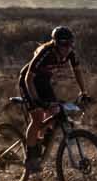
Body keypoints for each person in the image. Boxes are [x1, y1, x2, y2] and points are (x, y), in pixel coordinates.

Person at [18, 26, 89, 168]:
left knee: (56, 112)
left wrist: (84, 92)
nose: (67, 48)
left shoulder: (70, 53)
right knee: (37, 118)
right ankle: (31, 156)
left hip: (44, 82)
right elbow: (28, 78)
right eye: (64, 44)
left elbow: (77, 71)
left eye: (70, 44)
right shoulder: (45, 53)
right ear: (56, 43)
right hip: (29, 82)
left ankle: (40, 140)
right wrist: (36, 101)